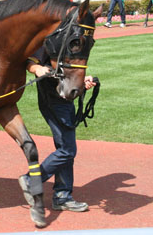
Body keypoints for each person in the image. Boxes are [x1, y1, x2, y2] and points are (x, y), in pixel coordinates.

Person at [18, 46, 97, 212]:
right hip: (53, 101)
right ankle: (32, 180)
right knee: (67, 150)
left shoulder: (67, 40)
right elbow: (29, 61)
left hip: (64, 100)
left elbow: (69, 71)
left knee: (65, 149)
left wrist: (82, 81)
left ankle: (62, 196)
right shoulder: (50, 40)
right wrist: (37, 68)